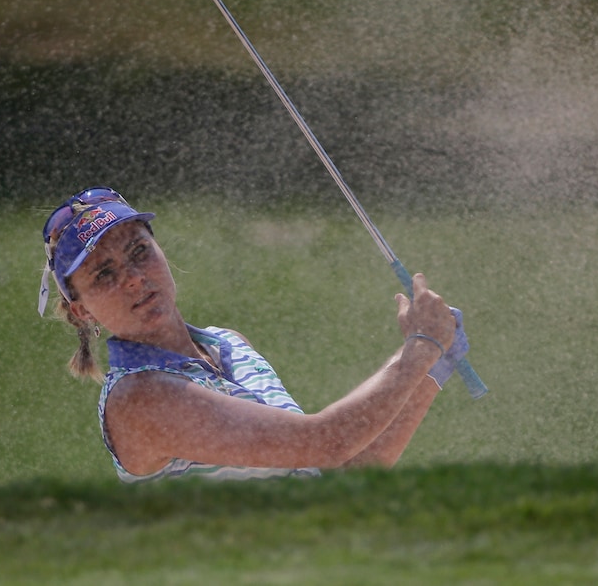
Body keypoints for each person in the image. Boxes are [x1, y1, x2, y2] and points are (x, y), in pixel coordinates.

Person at [38, 187, 470, 482]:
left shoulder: (229, 344)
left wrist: (431, 369)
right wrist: (418, 351)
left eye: (139, 251)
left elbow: (334, 471)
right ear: (81, 311)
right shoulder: (140, 399)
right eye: (105, 274)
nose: (133, 278)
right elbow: (325, 442)